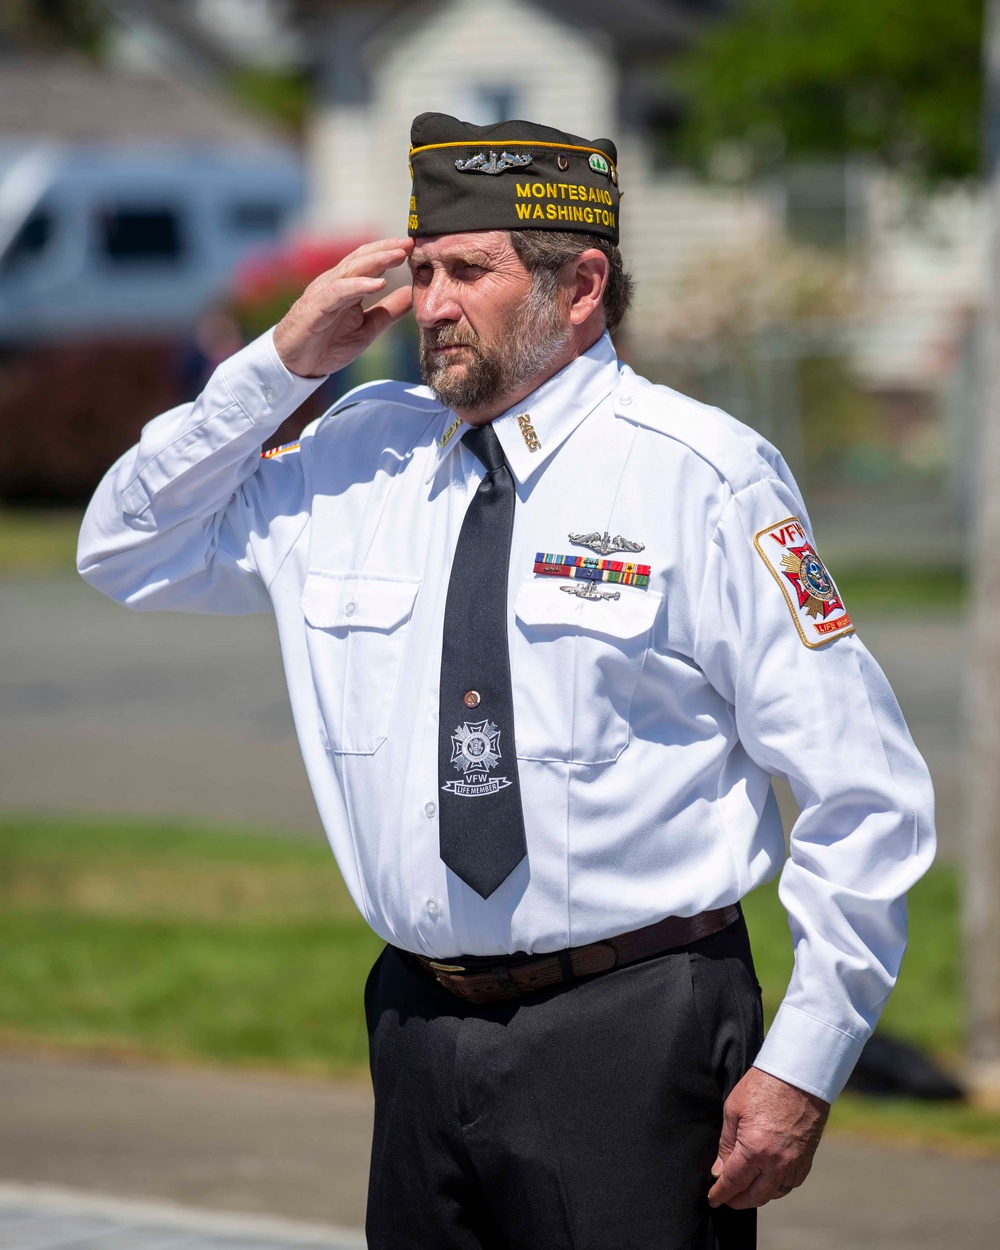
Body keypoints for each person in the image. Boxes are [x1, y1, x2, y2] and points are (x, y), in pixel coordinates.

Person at [78, 113, 935, 1250]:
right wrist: (281, 362)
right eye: (423, 268)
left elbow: (861, 791)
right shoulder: (353, 455)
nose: (430, 302)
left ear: (580, 286)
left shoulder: (702, 474)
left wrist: (805, 1061)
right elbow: (125, 547)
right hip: (419, 1027)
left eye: (467, 271)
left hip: (633, 1032)